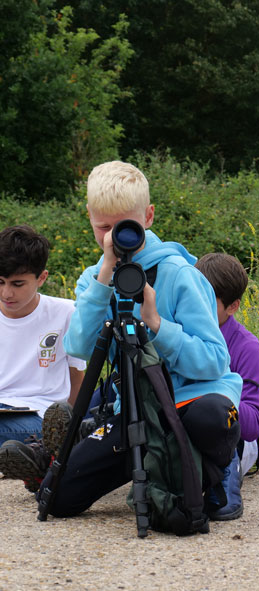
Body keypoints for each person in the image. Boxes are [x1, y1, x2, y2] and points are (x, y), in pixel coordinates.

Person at [3, 160, 244, 518]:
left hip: (190, 403)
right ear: (89, 218)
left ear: (147, 217)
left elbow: (213, 361)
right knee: (59, 500)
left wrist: (157, 326)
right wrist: (104, 279)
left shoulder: (181, 275)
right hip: (135, 412)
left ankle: (221, 470)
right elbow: (79, 348)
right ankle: (152, 464)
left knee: (210, 416)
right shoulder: (92, 280)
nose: (115, 238)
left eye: (125, 228)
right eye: (104, 228)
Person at [0, 226, 86, 491]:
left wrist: (72, 426)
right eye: (0, 282)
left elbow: (77, 378)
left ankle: (51, 450)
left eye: (17, 284)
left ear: (42, 278)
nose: (6, 294)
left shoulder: (65, 313)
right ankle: (40, 462)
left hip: (40, 415)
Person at [195, 252, 259, 521]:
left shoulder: (247, 348)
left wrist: (216, 387)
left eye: (207, 302)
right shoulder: (182, 332)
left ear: (232, 306)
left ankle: (227, 472)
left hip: (238, 440)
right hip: (190, 429)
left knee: (220, 417)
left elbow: (252, 427)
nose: (196, 308)